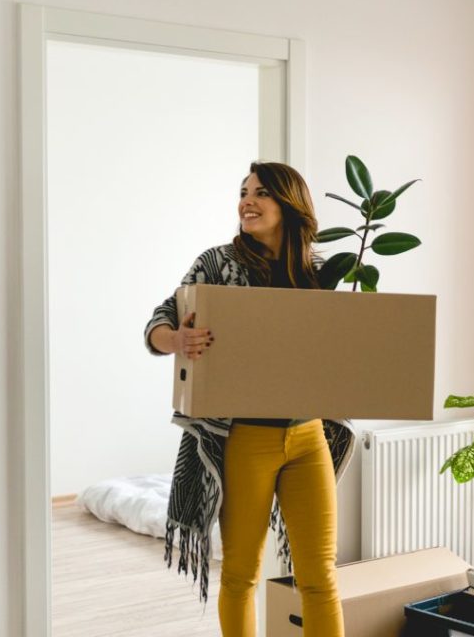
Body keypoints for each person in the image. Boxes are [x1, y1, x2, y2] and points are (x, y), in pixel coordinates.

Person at [143, 161, 356, 637]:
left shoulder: (319, 272)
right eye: (243, 192)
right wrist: (175, 339)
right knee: (241, 575)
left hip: (309, 436)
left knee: (320, 576)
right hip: (244, 440)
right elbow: (160, 317)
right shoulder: (217, 263)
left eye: (261, 193)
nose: (247, 201)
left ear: (290, 203)